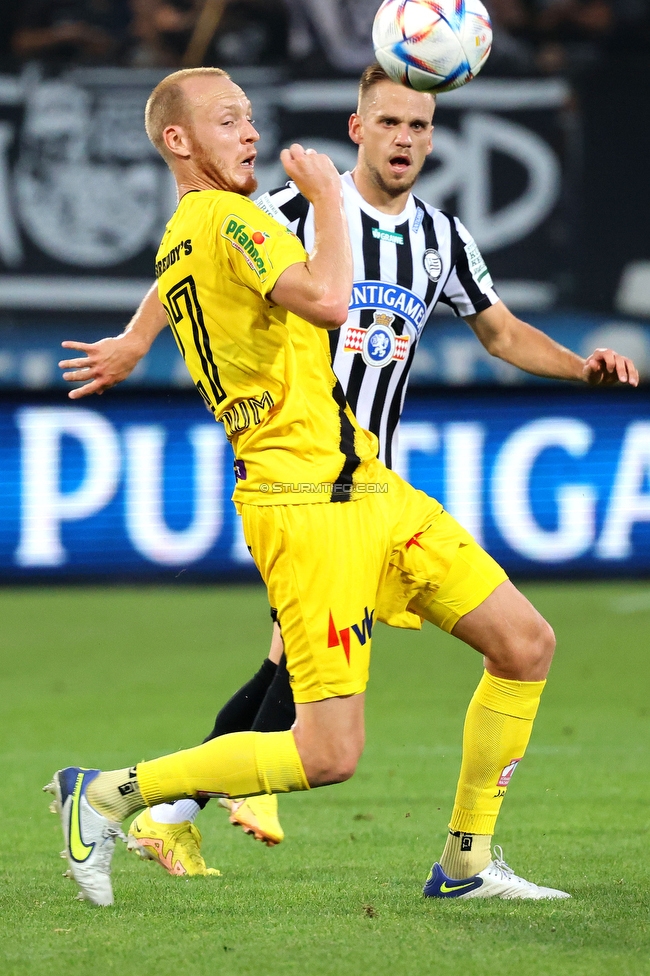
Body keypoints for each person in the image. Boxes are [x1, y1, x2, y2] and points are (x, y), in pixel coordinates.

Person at [48, 66, 636, 908]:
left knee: (524, 643)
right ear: (357, 130)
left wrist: (582, 370)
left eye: (420, 125)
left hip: (371, 480)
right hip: (306, 494)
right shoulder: (265, 212)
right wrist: (145, 336)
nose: (405, 138)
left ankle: (466, 863)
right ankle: (116, 795)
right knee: (322, 746)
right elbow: (297, 284)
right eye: (388, 120)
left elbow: (499, 330)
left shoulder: (433, 236)